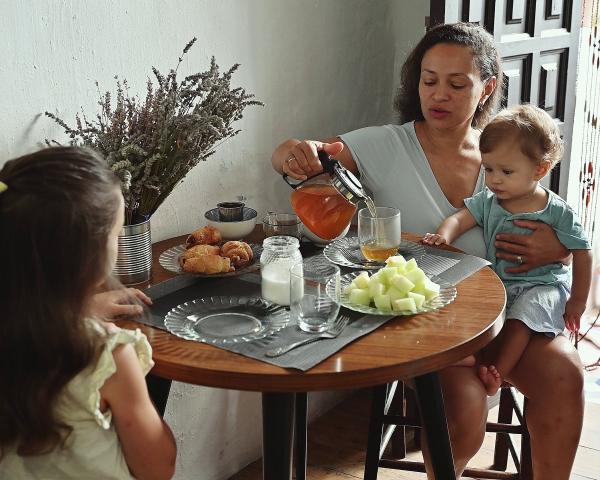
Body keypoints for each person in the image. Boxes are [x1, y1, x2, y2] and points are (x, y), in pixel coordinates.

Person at [271, 22, 584, 480]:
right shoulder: (382, 144)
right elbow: (308, 154)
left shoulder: (507, 152)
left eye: (457, 84)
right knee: (464, 411)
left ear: (486, 88)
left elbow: (559, 228)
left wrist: (558, 249)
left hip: (508, 315)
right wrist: (290, 153)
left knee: (566, 374)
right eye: (429, 80)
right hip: (426, 325)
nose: (439, 94)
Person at [0, 147, 176, 479]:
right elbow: (158, 467)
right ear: (90, 256)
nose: (122, 237)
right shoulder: (103, 353)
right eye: (117, 232)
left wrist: (80, 307)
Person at [422, 104, 592, 395]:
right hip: (503, 285)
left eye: (506, 171)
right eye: (488, 169)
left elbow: (583, 252)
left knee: (522, 318)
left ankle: (499, 373)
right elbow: (459, 218)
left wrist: (577, 301)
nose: (494, 179)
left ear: (540, 169)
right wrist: (443, 236)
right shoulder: (490, 202)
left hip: (543, 287)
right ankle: (472, 355)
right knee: (477, 307)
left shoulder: (557, 212)